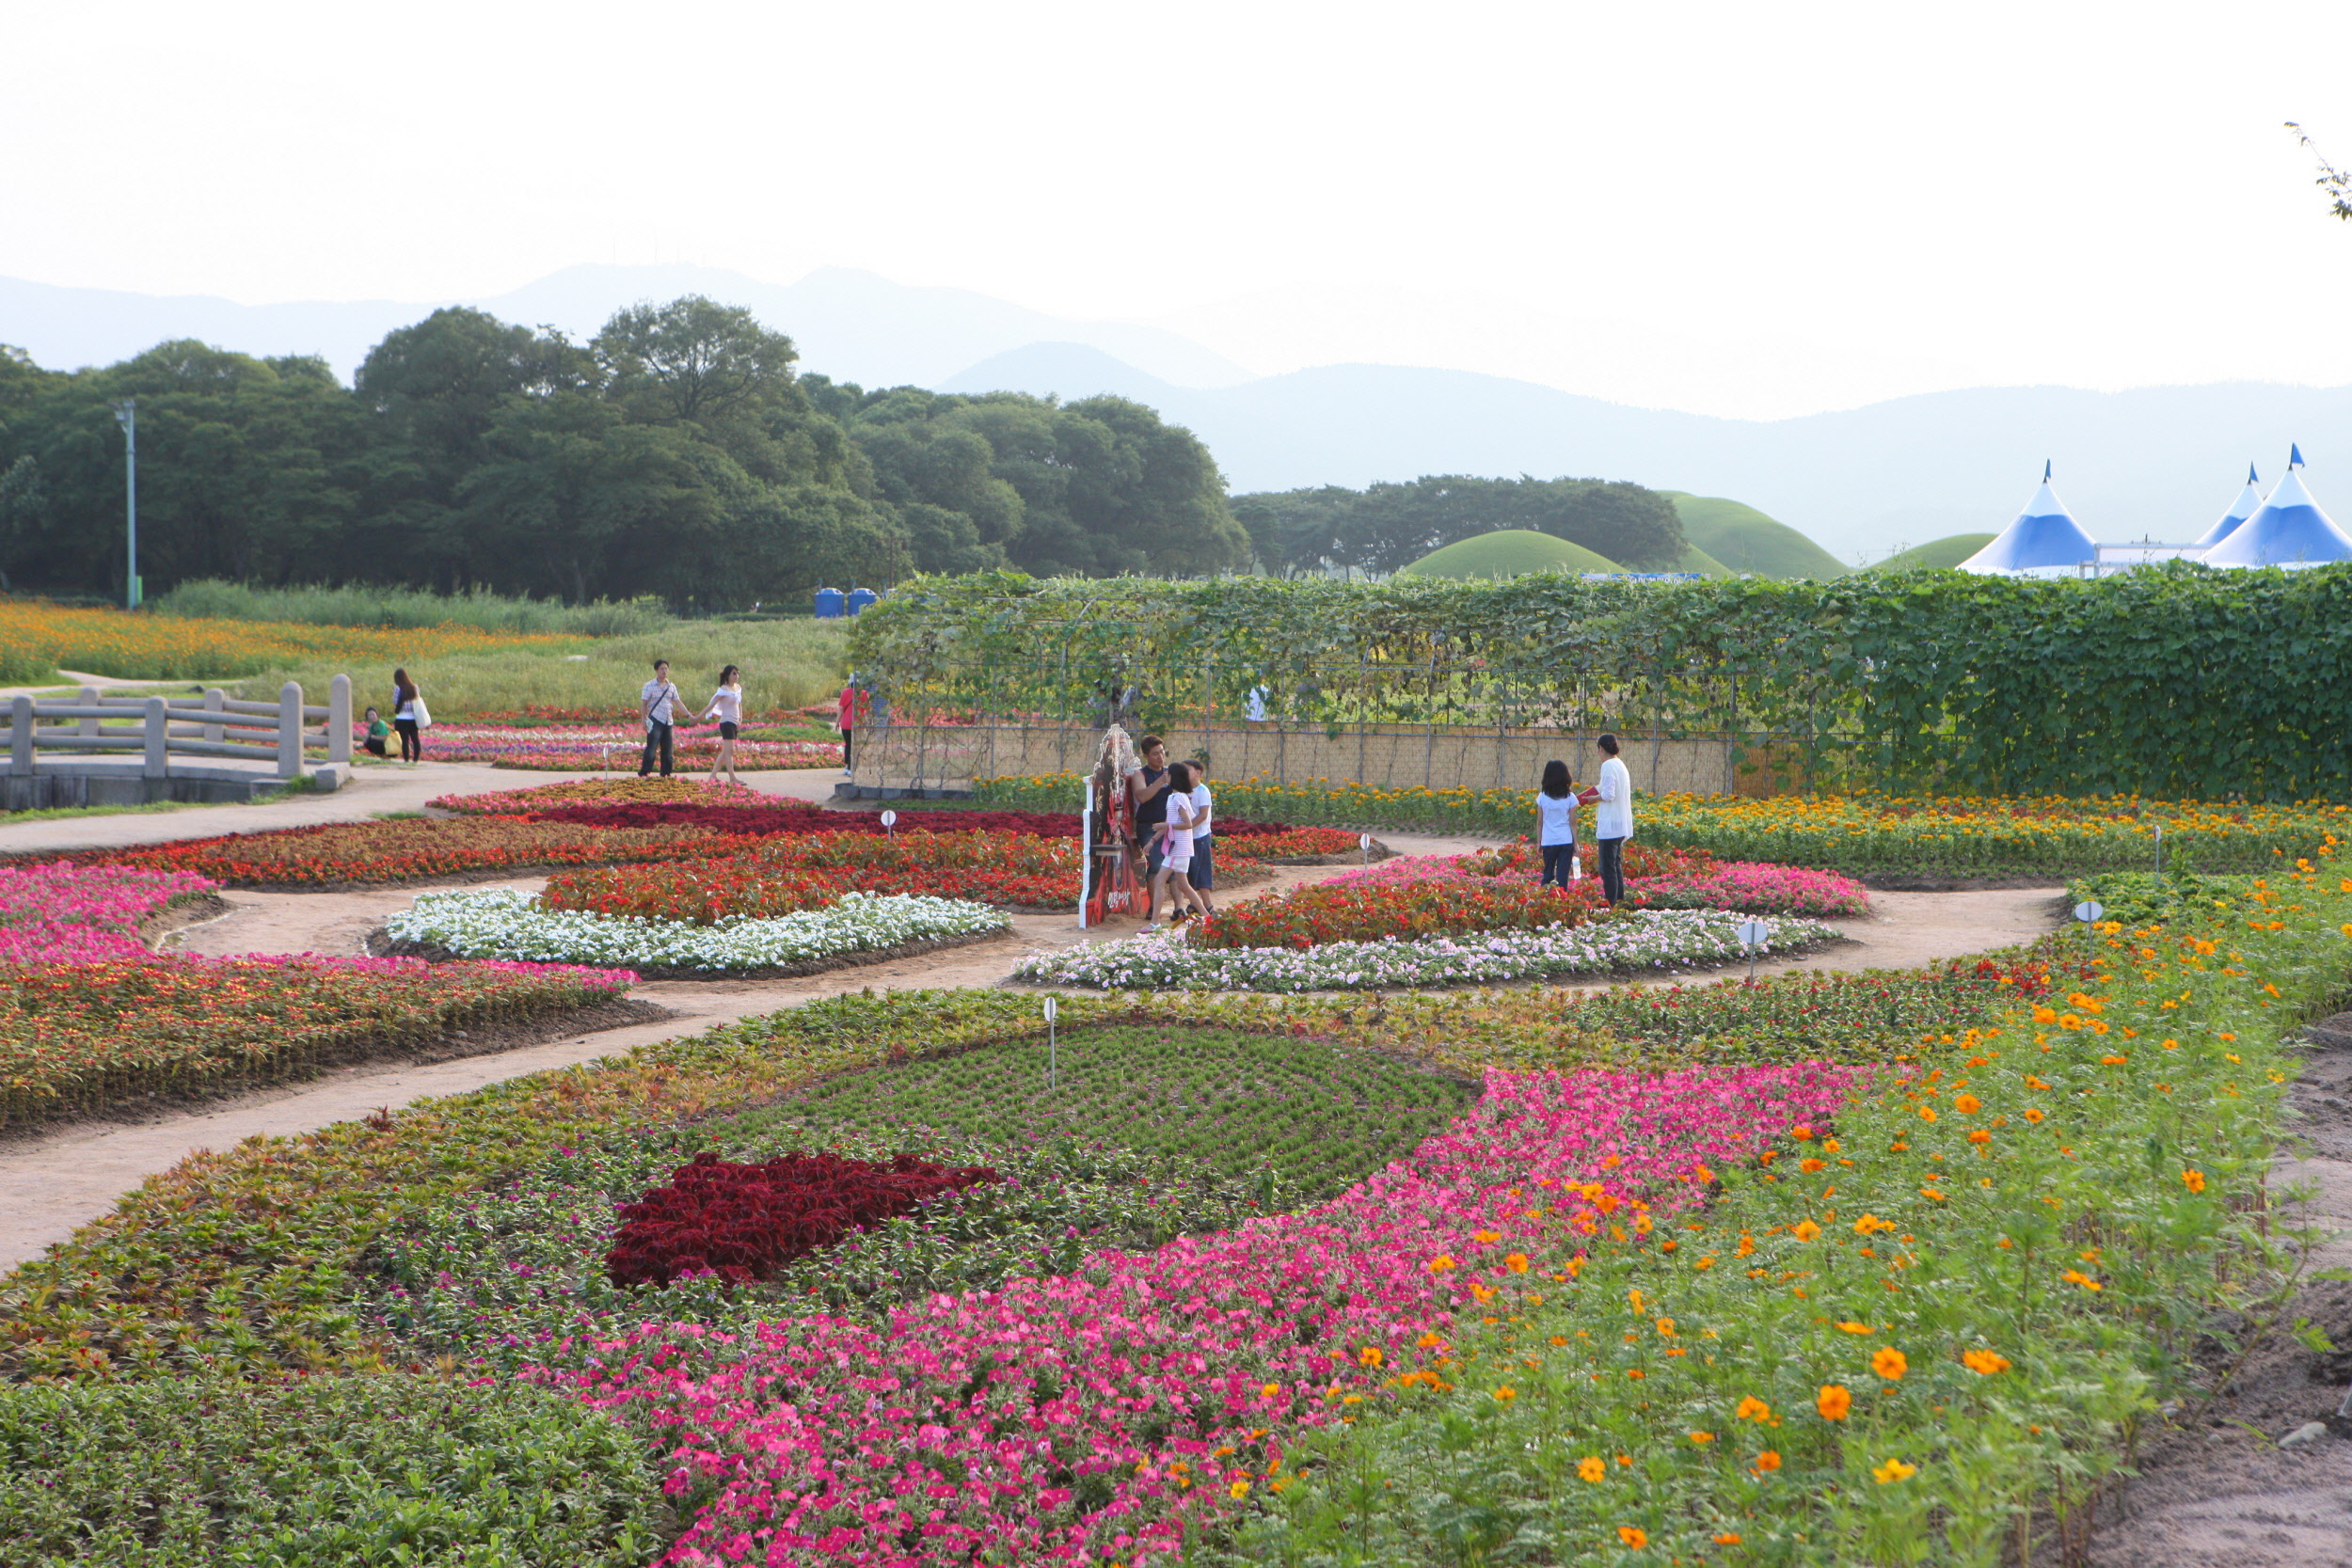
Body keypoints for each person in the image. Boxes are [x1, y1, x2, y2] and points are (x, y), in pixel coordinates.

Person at [1145, 762, 1212, 930]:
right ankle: (1207, 917)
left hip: (1178, 847)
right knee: (1183, 885)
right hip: (1180, 847)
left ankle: (1155, 923)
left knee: (1160, 880)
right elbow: (1172, 822)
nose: (1165, 776)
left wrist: (1164, 827)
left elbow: (1187, 823)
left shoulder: (1178, 797)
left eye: (1167, 774)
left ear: (1173, 777)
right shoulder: (1174, 797)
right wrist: (1153, 840)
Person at [1581, 733, 1633, 904]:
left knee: (1607, 868)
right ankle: (1619, 901)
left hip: (1610, 824)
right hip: (1619, 822)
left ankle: (1610, 903)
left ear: (1601, 749)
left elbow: (1608, 794)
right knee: (1615, 865)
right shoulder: (1620, 764)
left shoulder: (1608, 765)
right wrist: (1586, 794)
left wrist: (1593, 799)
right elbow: (1604, 787)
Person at [1125, 734, 1170, 922]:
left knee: (1175, 869)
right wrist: (1161, 781)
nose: (1160, 757)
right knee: (1157, 865)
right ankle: (1153, 908)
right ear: (1146, 756)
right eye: (1155, 754)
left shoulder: (1171, 772)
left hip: (1170, 826)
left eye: (1162, 752)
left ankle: (1177, 908)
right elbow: (1142, 796)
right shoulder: (1140, 774)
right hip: (1149, 827)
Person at [1534, 758, 1580, 888]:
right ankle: (1562, 901)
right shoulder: (1570, 797)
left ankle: (1545, 899)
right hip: (1565, 840)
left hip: (1548, 840)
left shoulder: (1542, 797)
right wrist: (1575, 844)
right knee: (1562, 876)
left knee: (1547, 874)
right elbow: (1573, 823)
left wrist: (1539, 842)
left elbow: (1539, 822)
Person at [1183, 756, 1217, 916]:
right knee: (1190, 870)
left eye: (1188, 770)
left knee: (1202, 869)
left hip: (1200, 836)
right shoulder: (1183, 790)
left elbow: (1203, 815)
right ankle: (1194, 903)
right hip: (1188, 835)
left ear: (1198, 772)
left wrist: (1187, 826)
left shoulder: (1203, 791)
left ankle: (1207, 904)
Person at [639, 659, 685, 778]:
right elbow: (644, 704)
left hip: (668, 721)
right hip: (655, 720)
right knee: (652, 748)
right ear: (656, 670)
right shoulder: (649, 686)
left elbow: (677, 701)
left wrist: (689, 715)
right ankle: (645, 772)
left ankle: (665, 773)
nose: (664, 671)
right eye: (662, 669)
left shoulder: (671, 686)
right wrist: (643, 721)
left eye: (666, 669)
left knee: (668, 750)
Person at [701, 664, 745, 785]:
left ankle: (713, 775)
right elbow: (712, 703)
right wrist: (698, 716)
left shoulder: (737, 688)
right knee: (729, 751)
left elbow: (739, 704)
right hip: (726, 722)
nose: (736, 676)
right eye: (734, 673)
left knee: (726, 751)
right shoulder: (724, 689)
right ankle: (732, 778)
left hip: (735, 722)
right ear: (728, 675)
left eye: (737, 673)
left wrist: (740, 719)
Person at [390, 668, 423, 764]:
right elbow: (417, 701)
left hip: (401, 718)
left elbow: (395, 702)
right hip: (413, 718)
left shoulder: (398, 689)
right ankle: (416, 759)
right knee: (415, 739)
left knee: (405, 740)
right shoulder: (415, 687)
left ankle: (406, 760)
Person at [838, 674, 864, 776]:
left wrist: (837, 722)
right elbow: (866, 710)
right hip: (858, 723)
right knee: (855, 745)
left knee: (848, 744)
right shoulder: (863, 694)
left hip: (846, 723)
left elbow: (840, 709)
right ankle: (851, 767)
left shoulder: (845, 692)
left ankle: (847, 766)